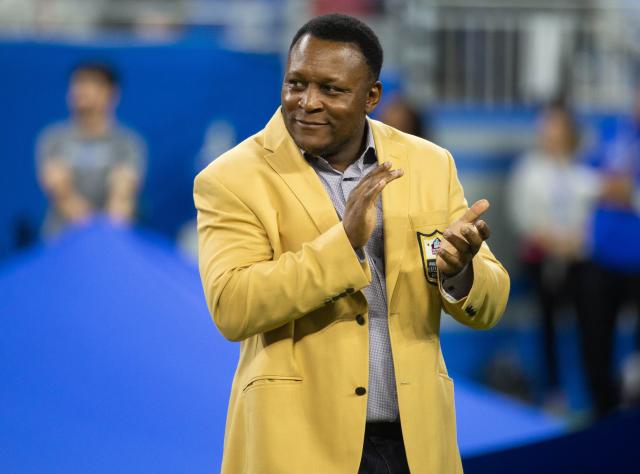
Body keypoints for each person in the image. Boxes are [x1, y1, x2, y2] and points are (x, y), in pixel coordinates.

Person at [194, 14, 509, 473]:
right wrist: (343, 243)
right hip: (297, 448)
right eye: (295, 83)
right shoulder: (232, 178)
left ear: (371, 97)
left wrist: (461, 272)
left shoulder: (429, 164)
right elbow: (234, 305)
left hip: (414, 445)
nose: (307, 103)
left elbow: (493, 300)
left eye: (331, 89)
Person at [507, 102, 599, 407]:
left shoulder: (582, 168)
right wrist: (550, 242)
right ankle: (553, 392)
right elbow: (521, 215)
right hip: (542, 258)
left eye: (555, 125)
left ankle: (593, 392)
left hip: (579, 258)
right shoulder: (528, 169)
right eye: (545, 125)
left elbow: (593, 212)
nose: (549, 131)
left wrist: (577, 243)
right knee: (546, 326)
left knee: (589, 324)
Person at [579, 86, 640, 417]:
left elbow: (614, 188)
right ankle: (602, 412)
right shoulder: (612, 132)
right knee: (595, 342)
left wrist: (626, 192)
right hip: (602, 259)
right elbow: (585, 181)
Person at [36, 62, 146, 236]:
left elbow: (122, 194)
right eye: (77, 84)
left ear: (112, 93)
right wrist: (91, 232)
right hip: (62, 240)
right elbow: (60, 191)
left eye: (90, 84)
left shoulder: (127, 143)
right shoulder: (53, 139)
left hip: (112, 239)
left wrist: (107, 237)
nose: (81, 91)